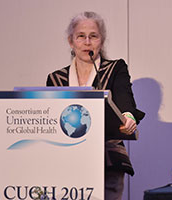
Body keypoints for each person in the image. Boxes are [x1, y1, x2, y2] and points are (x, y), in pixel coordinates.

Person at [46, 11, 145, 200]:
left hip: (108, 160)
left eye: (93, 36)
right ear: (71, 41)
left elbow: (125, 99)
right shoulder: (55, 79)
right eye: (81, 36)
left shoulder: (115, 68)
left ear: (102, 40)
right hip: (65, 163)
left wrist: (129, 118)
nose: (87, 42)